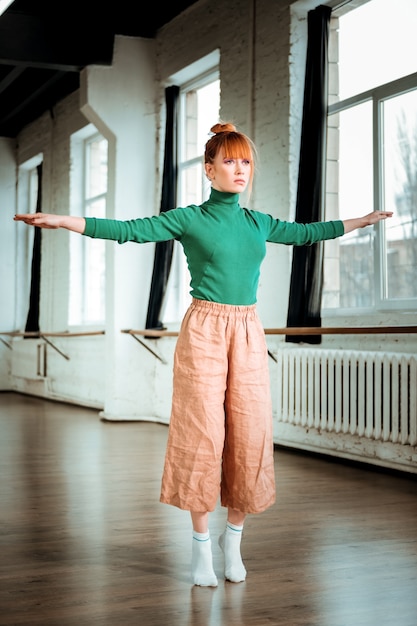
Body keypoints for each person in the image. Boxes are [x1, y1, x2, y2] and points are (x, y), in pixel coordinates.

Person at [14, 122, 393, 588]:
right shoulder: (190, 218)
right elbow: (129, 230)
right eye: (230, 161)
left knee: (250, 436)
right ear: (210, 171)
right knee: (202, 436)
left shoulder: (259, 222)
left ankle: (232, 540)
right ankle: (199, 546)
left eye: (246, 161)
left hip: (248, 330)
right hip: (205, 331)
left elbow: (311, 232)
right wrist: (64, 221)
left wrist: (363, 220)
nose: (240, 170)